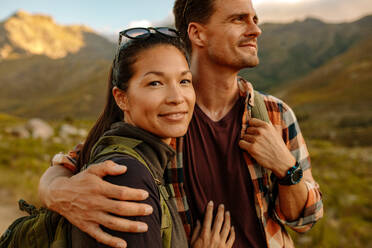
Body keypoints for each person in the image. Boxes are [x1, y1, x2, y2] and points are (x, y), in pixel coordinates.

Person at [38, 0, 323, 247]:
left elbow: (306, 220)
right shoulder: (166, 114)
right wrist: (58, 193)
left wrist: (288, 169)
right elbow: (72, 165)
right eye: (239, 19)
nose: (255, 29)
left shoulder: (275, 113)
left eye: (255, 19)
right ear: (197, 33)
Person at [51, 28, 235, 248]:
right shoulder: (127, 176)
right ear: (122, 99)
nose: (177, 98)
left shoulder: (144, 151)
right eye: (155, 83)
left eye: (184, 81)